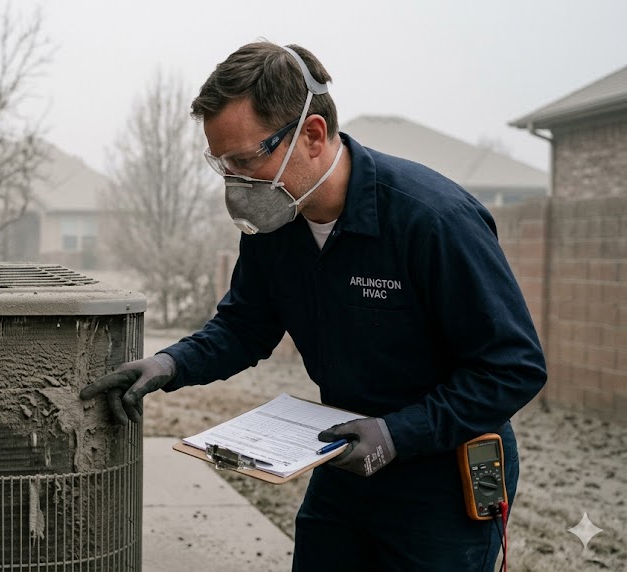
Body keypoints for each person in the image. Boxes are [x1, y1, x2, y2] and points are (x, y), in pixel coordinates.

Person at [79, 42, 547, 570]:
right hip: (343, 460)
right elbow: (245, 326)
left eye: (245, 159)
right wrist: (170, 364)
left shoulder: (431, 220)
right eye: (221, 163)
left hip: (440, 481)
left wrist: (397, 434)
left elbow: (513, 367)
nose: (234, 180)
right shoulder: (276, 224)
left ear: (313, 135)